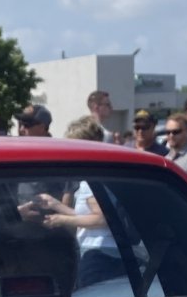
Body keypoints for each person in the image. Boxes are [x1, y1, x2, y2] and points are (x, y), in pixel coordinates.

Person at [33, 116, 125, 287]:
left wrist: (62, 219)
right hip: (106, 251)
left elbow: (100, 218)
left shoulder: (92, 181)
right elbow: (88, 215)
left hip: (99, 254)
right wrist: (56, 205)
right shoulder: (100, 174)